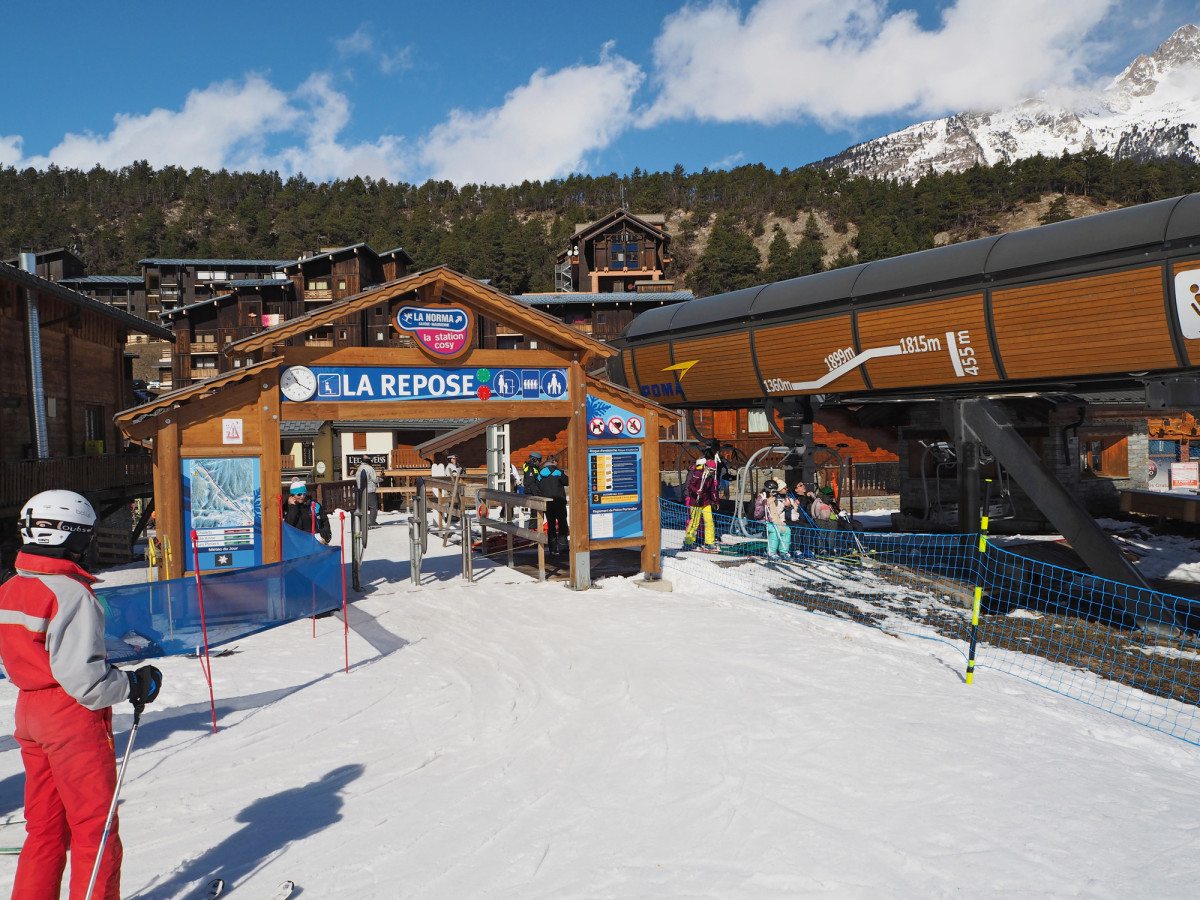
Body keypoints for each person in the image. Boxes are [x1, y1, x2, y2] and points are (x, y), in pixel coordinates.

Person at [0, 490, 163, 900]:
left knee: (46, 827)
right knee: (95, 827)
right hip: (69, 717)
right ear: (70, 535)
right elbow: (85, 683)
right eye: (86, 535)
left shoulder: (13, 587)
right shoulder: (71, 594)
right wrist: (131, 685)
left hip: (30, 711)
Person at [684, 457, 721, 552]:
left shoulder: (711, 478)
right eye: (711, 470)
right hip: (696, 502)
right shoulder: (697, 474)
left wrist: (716, 501)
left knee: (709, 521)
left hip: (706, 501)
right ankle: (689, 541)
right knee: (694, 522)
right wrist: (696, 491)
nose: (712, 472)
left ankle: (709, 542)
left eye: (714, 471)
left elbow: (712, 490)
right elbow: (690, 486)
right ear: (707, 468)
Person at [536, 455, 569, 554]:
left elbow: (538, 487)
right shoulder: (558, 472)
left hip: (547, 503)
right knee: (562, 524)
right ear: (554, 461)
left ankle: (552, 548)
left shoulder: (541, 474)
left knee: (551, 525)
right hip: (559, 502)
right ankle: (563, 547)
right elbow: (567, 482)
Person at [760, 480, 792, 560]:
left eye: (775, 492)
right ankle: (771, 551)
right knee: (775, 530)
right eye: (773, 491)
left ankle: (783, 551)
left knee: (786, 530)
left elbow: (776, 513)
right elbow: (757, 514)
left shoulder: (774, 499)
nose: (774, 494)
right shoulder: (762, 498)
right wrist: (763, 507)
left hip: (774, 520)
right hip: (764, 521)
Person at [354, 461, 380, 526]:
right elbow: (375, 479)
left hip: (361, 490)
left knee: (363, 507)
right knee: (373, 506)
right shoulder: (369, 468)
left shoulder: (359, 469)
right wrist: (381, 479)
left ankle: (364, 522)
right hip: (369, 490)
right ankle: (372, 522)